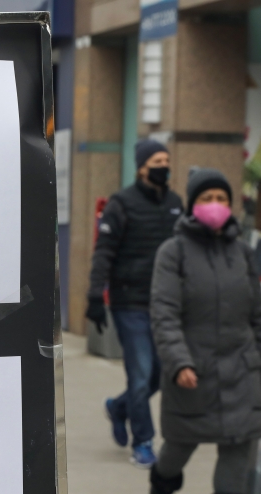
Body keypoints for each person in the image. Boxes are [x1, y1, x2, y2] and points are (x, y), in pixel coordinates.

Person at [145, 168, 261, 494]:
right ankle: (161, 487)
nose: (216, 206)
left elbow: (257, 318)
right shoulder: (173, 253)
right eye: (207, 199)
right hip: (193, 371)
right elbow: (164, 313)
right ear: (191, 205)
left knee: (239, 449)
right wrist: (178, 362)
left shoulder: (242, 253)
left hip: (241, 370)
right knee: (178, 447)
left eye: (222, 199)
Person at [86, 139, 184, 468]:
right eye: (157, 160)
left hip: (164, 304)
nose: (164, 166)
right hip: (129, 303)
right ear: (142, 167)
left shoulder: (175, 203)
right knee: (141, 374)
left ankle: (118, 408)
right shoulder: (121, 203)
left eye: (167, 160)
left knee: (157, 376)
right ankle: (143, 441)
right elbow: (104, 253)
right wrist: (94, 295)